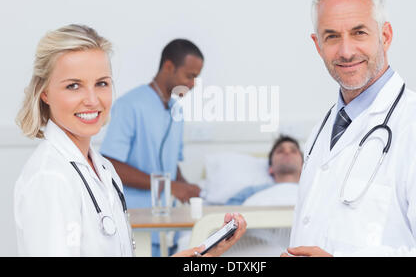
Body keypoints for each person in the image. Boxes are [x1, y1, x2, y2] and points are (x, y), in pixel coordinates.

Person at [14, 24, 246, 256]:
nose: (93, 100)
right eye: (73, 86)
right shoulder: (51, 179)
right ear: (44, 93)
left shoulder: (103, 170)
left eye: (101, 83)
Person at [283, 0, 416, 257]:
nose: (346, 51)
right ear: (317, 45)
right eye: (332, 36)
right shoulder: (323, 130)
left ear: (385, 36)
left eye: (359, 33)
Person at [99, 39, 204, 256]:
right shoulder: (130, 105)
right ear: (168, 67)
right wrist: (169, 186)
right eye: (190, 76)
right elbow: (110, 165)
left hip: (166, 226)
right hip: (135, 223)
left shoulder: (176, 111)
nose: (193, 84)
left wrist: (186, 187)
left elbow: (171, 163)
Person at [226, 135, 302, 206]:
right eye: (280, 151)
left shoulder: (312, 191)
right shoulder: (250, 192)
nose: (287, 152)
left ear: (303, 166)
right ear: (270, 168)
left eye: (293, 151)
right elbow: (227, 213)